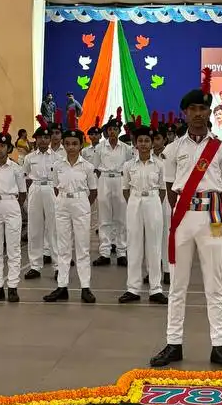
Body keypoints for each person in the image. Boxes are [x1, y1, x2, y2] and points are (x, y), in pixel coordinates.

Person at [151, 87, 222, 369]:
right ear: (185, 113)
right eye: (193, 110)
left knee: (215, 284)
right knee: (177, 284)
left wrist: (211, 213)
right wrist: (183, 213)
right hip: (183, 218)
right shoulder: (173, 149)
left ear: (208, 112)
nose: (198, 115)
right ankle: (173, 343)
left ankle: (219, 345)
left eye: (203, 109)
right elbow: (170, 188)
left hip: (212, 217)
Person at [44, 128, 98, 303]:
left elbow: (94, 191)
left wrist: (82, 204)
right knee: (63, 246)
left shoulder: (88, 167)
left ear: (81, 145)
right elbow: (55, 186)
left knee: (82, 247)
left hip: (81, 202)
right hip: (62, 203)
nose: (71, 147)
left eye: (75, 143)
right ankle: (62, 286)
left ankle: (85, 287)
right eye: (67, 143)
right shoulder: (58, 165)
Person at [119, 127, 168, 305]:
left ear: (152, 143)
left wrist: (152, 201)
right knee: (134, 245)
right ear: (135, 143)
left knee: (154, 245)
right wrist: (135, 201)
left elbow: (163, 190)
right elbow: (125, 189)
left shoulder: (160, 165)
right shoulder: (128, 165)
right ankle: (133, 288)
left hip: (153, 200)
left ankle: (156, 289)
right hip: (134, 200)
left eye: (147, 141)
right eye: (140, 141)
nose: (144, 144)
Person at [0, 132, 26, 303]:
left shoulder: (16, 168)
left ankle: (13, 287)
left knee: (14, 248)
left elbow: (22, 193)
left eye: (2, 146)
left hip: (11, 203)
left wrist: (14, 206)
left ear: (8, 148)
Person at [94, 118, 131, 266]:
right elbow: (96, 167)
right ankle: (105, 252)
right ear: (107, 131)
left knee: (121, 218)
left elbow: (128, 167)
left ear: (119, 131)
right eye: (110, 129)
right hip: (104, 179)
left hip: (120, 179)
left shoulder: (126, 149)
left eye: (115, 129)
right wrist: (103, 180)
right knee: (104, 217)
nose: (112, 132)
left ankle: (122, 251)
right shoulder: (100, 148)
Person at [23, 126, 56, 278]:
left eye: (46, 137)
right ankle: (35, 266)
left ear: (50, 140)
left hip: (51, 189)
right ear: (35, 139)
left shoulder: (56, 157)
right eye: (41, 137)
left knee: (54, 227)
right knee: (34, 228)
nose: (44, 140)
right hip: (35, 188)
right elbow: (25, 177)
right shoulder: (29, 158)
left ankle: (57, 265)